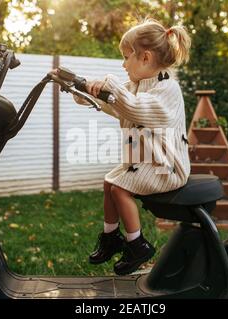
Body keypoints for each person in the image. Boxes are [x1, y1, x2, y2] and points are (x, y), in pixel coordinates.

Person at [71, 18, 192, 275]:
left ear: (145, 58)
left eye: (127, 57)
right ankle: (111, 236)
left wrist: (109, 83)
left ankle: (137, 244)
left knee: (119, 189)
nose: (123, 65)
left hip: (167, 166)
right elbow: (115, 103)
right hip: (147, 163)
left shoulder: (168, 89)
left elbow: (135, 107)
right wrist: (85, 92)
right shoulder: (137, 85)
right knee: (109, 182)